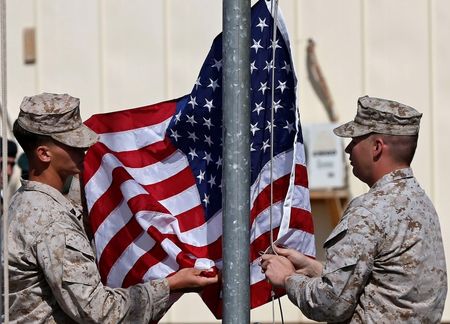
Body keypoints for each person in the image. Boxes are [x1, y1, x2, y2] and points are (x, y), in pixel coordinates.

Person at [7, 93, 218, 323]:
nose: (84, 149)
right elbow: (100, 312)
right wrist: (171, 285)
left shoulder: (21, 204)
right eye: (72, 144)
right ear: (44, 154)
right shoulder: (51, 220)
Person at [261, 95, 447, 323]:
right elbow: (383, 285)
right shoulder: (420, 202)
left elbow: (329, 303)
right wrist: (312, 267)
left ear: (377, 147)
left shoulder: (369, 210)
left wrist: (288, 278)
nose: (348, 148)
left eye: (356, 139)